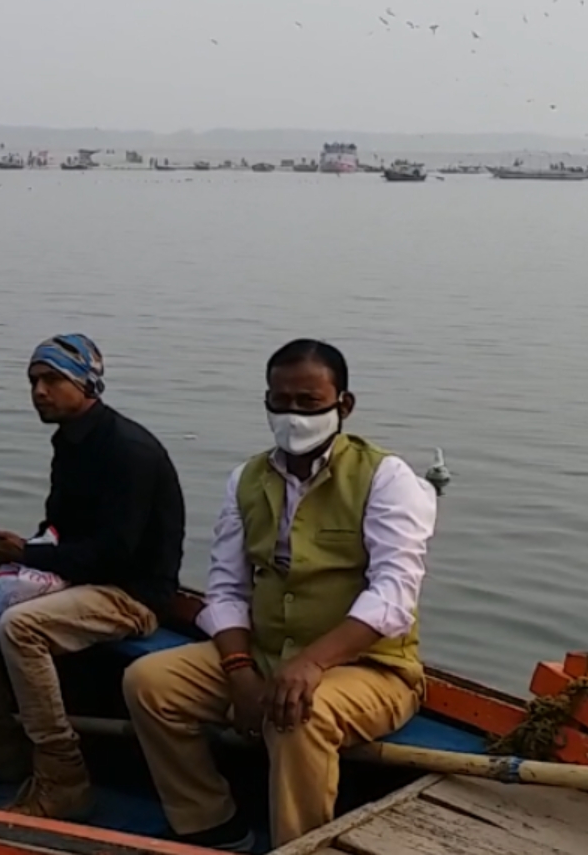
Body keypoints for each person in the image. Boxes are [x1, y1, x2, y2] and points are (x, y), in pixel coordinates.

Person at [124, 339, 436, 851]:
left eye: (309, 403)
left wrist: (312, 664)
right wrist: (240, 670)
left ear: (344, 405)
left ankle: (300, 846)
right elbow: (225, 589)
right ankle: (211, 825)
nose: (293, 416)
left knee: (299, 716)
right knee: (149, 683)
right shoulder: (245, 479)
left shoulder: (386, 477)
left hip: (372, 669)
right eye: (280, 401)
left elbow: (393, 595)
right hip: (267, 655)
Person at [0, 334, 185, 821]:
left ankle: (63, 772)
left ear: (86, 383)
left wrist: (30, 554)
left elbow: (114, 554)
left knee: (22, 625)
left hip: (130, 594)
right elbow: (61, 531)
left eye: (52, 380)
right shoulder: (71, 442)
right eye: (34, 380)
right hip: (84, 578)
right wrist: (6, 559)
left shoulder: (128, 451)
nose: (39, 391)